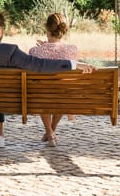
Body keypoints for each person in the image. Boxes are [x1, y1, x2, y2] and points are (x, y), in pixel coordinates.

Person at [0, 12, 94, 149]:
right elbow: (39, 65)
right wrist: (73, 64)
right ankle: (1, 136)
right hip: (6, 99)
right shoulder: (10, 51)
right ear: (0, 31)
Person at [29, 12, 80, 146]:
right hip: (64, 95)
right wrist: (47, 46)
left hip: (42, 95)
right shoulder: (72, 50)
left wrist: (45, 47)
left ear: (47, 29)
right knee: (61, 91)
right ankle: (51, 131)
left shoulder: (35, 51)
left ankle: (49, 133)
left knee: (43, 93)